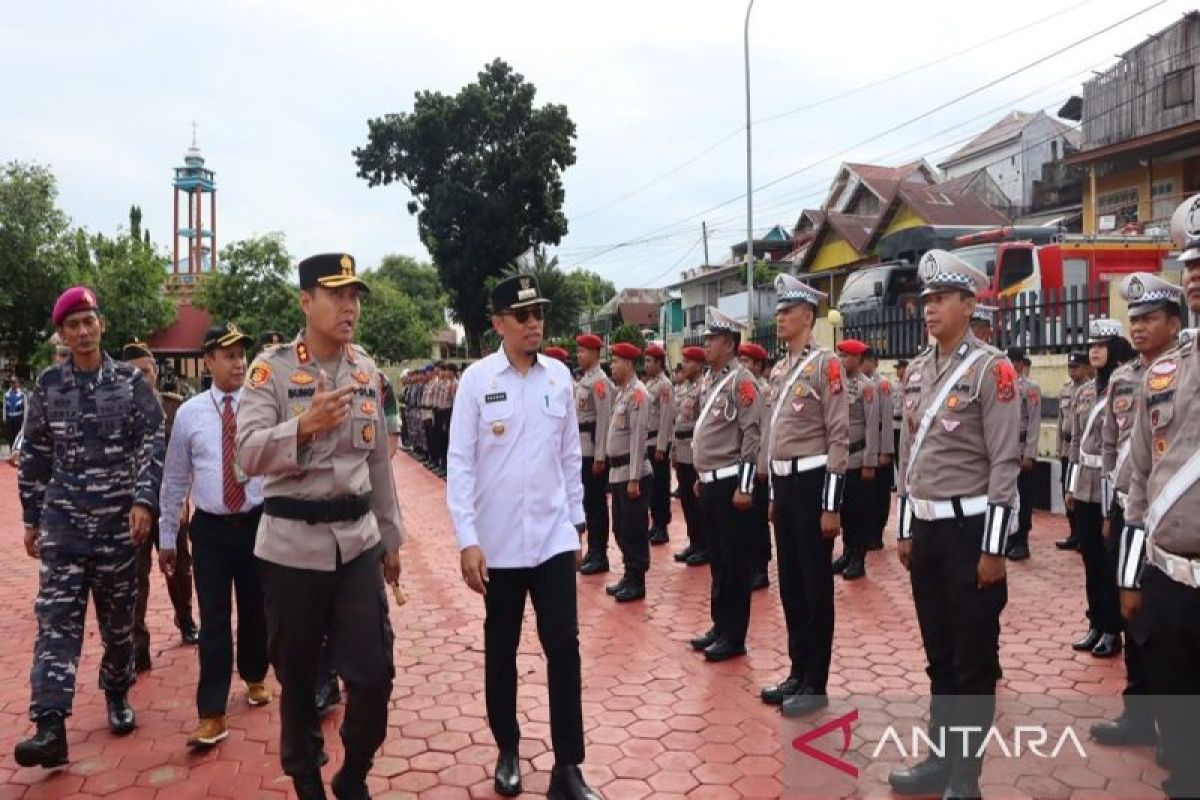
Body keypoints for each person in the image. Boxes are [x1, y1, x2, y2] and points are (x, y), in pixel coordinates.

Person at [236, 252, 404, 800]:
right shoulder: (271, 370)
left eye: (355, 295)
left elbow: (378, 461)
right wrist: (302, 426)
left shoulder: (365, 369)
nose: (349, 305)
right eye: (337, 294)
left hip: (356, 544)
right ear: (306, 301)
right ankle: (305, 776)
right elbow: (246, 456)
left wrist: (391, 537)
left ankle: (352, 772)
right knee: (299, 679)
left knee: (374, 673)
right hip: (291, 549)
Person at [447, 274, 600, 800]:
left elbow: (569, 458)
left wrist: (578, 521)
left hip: (553, 537)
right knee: (501, 650)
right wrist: (467, 538)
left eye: (539, 313)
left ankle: (568, 767)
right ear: (498, 324)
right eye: (523, 315)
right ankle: (508, 750)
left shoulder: (559, 378)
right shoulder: (475, 381)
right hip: (500, 544)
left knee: (564, 647)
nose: (534, 323)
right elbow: (460, 464)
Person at [14, 287, 165, 768]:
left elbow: (151, 440)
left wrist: (144, 500)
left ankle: (117, 691)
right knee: (55, 624)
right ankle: (50, 724)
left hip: (118, 526)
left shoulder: (129, 383)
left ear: (101, 325)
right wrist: (31, 518)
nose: (82, 331)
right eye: (72, 324)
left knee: (118, 626)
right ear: (61, 333)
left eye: (89, 321)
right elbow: (35, 456)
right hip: (63, 527)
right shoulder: (48, 386)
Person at [888, 250, 1020, 798]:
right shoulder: (918, 370)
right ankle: (940, 760)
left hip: (971, 536)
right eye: (926, 300)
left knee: (973, 660)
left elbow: (1005, 463)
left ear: (970, 304)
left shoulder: (994, 369)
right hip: (928, 533)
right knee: (939, 656)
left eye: (940, 299)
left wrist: (995, 550)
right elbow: (907, 456)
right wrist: (903, 527)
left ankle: (967, 776)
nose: (929, 309)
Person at [1116, 218, 1200, 798]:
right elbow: (1143, 472)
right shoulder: (1165, 371)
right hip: (1170, 564)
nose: (1194, 277)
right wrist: (1135, 567)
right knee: (1173, 679)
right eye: (1191, 265)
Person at [158, 323, 271, 748]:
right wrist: (169, 535)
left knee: (256, 607)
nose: (239, 362)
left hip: (257, 523)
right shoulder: (189, 414)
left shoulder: (262, 407)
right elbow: (174, 479)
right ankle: (211, 711)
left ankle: (256, 674)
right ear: (208, 361)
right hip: (210, 529)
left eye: (242, 353)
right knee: (214, 620)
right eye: (229, 355)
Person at [1090, 273, 1183, 752]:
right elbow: (1110, 446)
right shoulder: (1123, 379)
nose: (1140, 328)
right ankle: (1138, 711)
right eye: (1135, 319)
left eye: (1150, 318)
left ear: (1174, 322)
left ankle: (1176, 730)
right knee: (1131, 616)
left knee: (1168, 627)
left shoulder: (1184, 371)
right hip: (1129, 512)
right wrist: (1110, 505)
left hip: (1171, 519)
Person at [756, 274, 847, 717]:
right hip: (785, 485)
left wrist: (831, 505)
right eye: (778, 311)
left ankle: (816, 682)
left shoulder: (826, 365)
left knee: (815, 587)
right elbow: (775, 436)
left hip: (813, 486)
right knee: (790, 582)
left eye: (786, 311)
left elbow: (839, 438)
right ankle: (797, 670)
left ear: (808, 317)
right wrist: (773, 492)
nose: (779, 318)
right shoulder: (779, 369)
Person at [689, 307, 762, 663]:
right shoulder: (709, 379)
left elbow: (752, 434)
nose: (706, 345)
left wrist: (745, 486)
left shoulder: (741, 381)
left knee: (734, 563)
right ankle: (720, 625)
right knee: (717, 560)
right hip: (710, 482)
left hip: (731, 482)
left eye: (712, 339)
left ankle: (735, 635)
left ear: (730, 344)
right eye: (705, 339)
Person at [122, 341, 199, 672]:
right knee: (135, 578)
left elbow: (185, 461)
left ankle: (186, 621)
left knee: (180, 568)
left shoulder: (172, 409)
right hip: (132, 509)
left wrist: (183, 498)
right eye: (136, 372)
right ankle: (139, 647)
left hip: (169, 504)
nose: (143, 376)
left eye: (147, 370)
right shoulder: (115, 411)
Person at [1066, 319, 1135, 659]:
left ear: (1114, 349)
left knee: (1109, 562)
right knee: (1090, 559)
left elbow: (1118, 448)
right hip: (1083, 486)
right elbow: (1076, 443)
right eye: (1091, 345)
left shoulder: (1124, 389)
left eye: (1101, 345)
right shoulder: (1082, 392)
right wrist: (1069, 485)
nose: (1094, 351)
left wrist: (1111, 508)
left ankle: (1112, 629)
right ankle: (1095, 622)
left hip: (1107, 488)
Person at [603, 342, 653, 603]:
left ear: (630, 365)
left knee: (634, 530)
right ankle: (628, 573)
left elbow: (637, 439)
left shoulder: (638, 394)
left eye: (616, 362)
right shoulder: (622, 393)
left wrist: (634, 477)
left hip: (633, 475)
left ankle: (637, 580)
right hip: (618, 473)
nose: (612, 366)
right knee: (620, 529)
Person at [832, 339, 878, 581]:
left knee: (859, 511)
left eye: (847, 356)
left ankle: (858, 558)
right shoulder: (836, 383)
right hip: (841, 459)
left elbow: (872, 426)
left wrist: (869, 462)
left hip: (858, 457)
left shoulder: (866, 387)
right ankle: (848, 552)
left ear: (859, 360)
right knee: (845, 510)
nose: (842, 360)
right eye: (840, 355)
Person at [576, 334, 615, 575]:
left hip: (593, 452)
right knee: (589, 504)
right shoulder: (585, 380)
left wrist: (601, 456)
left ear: (594, 353)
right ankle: (593, 550)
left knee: (597, 504)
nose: (578, 355)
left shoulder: (600, 382)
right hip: (583, 450)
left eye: (582, 351)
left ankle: (600, 554)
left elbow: (604, 420)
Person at [739, 341, 773, 589]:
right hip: (743, 462)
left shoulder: (763, 390)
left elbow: (765, 432)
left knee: (758, 519)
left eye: (748, 361)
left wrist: (762, 466)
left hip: (758, 464)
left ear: (759, 366)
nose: (744, 365)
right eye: (741, 360)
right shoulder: (742, 388)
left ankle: (760, 569)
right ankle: (749, 564)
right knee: (746, 520)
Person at [671, 347, 708, 566]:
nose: (683, 365)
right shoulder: (684, 388)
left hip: (694, 452)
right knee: (686, 500)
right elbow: (677, 422)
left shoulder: (702, 388)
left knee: (697, 502)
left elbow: (702, 424)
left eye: (688, 361)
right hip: (682, 450)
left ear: (698, 364)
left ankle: (704, 545)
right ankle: (694, 541)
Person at [1006, 347, 1041, 561]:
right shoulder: (1002, 387)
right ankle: (1010, 537)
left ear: (1019, 364)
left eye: (1011, 362)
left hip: (1021, 450)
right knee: (1008, 496)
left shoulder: (1030, 388)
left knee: (1024, 498)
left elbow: (1034, 423)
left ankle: (1022, 541)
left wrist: (1029, 454)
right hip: (1005, 450)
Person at [1055, 352, 1091, 550]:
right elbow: (1061, 422)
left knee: (1080, 494)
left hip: (1083, 450)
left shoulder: (1090, 390)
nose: (1072, 371)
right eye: (1069, 367)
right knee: (1066, 491)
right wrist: (1059, 448)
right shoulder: (1065, 390)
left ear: (1085, 367)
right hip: (1068, 449)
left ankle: (1083, 534)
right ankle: (1073, 533)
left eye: (1075, 367)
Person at [642, 344, 674, 547]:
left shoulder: (665, 385)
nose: (646, 364)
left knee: (661, 486)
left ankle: (662, 526)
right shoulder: (649, 384)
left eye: (649, 361)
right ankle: (655, 523)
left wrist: (662, 446)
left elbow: (666, 417)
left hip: (658, 442)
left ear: (659, 363)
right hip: (648, 441)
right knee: (652, 487)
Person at [862, 347, 894, 552]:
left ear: (874, 362)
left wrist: (885, 450)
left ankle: (876, 533)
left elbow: (887, 420)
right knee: (865, 495)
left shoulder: (882, 385)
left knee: (879, 494)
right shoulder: (856, 384)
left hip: (880, 443)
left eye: (865, 360)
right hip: (865, 444)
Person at [4, 374, 26, 454]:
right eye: (12, 382)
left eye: (15, 382)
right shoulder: (7, 394)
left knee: (18, 436)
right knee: (10, 435)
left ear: (18, 383)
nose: (13, 384)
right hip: (9, 417)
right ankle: (11, 451)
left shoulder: (22, 394)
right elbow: (4, 407)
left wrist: (25, 419)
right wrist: (4, 418)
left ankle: (17, 453)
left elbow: (25, 408)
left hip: (18, 417)